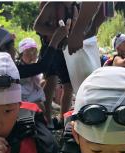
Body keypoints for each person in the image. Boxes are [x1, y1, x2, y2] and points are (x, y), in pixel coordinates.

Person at [0, 28, 69, 112]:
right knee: (39, 108)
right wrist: (55, 40)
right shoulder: (7, 70)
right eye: (12, 45)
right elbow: (42, 66)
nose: (15, 50)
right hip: (7, 116)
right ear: (3, 48)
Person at [34, 1, 78, 130]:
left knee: (68, 85)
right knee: (51, 81)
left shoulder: (75, 8)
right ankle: (47, 117)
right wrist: (56, 33)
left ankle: (63, 119)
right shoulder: (51, 5)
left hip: (65, 51)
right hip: (50, 48)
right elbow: (37, 26)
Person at [16, 38, 46, 112]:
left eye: (34, 54)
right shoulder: (19, 68)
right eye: (28, 54)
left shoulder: (37, 67)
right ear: (21, 56)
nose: (32, 57)